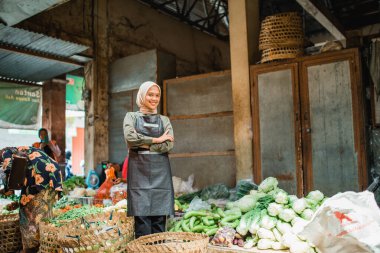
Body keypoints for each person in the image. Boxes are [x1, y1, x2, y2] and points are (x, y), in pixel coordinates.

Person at [123, 81, 175, 238]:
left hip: (161, 172)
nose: (154, 98)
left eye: (157, 95)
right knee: (142, 217)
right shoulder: (131, 117)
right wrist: (157, 140)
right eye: (150, 94)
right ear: (142, 95)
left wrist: (142, 146)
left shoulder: (164, 120)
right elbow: (130, 138)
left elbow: (169, 145)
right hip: (139, 171)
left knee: (160, 217)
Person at [0, 146, 63, 253]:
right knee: (43, 214)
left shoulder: (4, 153)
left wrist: (7, 189)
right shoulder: (17, 150)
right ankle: (43, 246)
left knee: (27, 213)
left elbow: (9, 170)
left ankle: (30, 248)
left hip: (40, 178)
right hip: (52, 175)